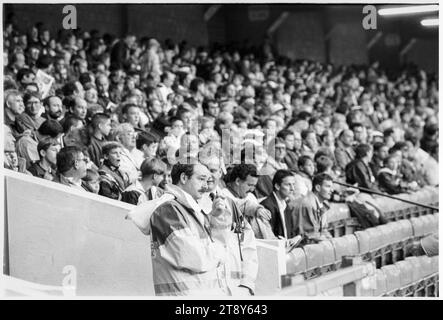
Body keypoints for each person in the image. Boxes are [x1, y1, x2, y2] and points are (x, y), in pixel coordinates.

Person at [149, 161, 232, 296]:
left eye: (207, 181)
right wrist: (221, 253)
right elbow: (196, 258)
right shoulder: (168, 209)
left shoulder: (188, 209)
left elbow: (215, 244)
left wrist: (216, 217)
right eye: (201, 179)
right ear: (183, 178)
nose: (206, 186)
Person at [198, 155, 258, 296]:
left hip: (236, 289)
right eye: (206, 170)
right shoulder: (191, 205)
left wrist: (248, 283)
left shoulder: (230, 204)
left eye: (215, 170)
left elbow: (247, 243)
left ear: (221, 173)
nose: (210, 175)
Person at [286, 173, 333, 244]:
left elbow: (323, 230)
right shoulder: (308, 205)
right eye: (328, 186)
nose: (332, 190)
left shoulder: (323, 204)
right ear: (318, 188)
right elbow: (307, 236)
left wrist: (332, 241)